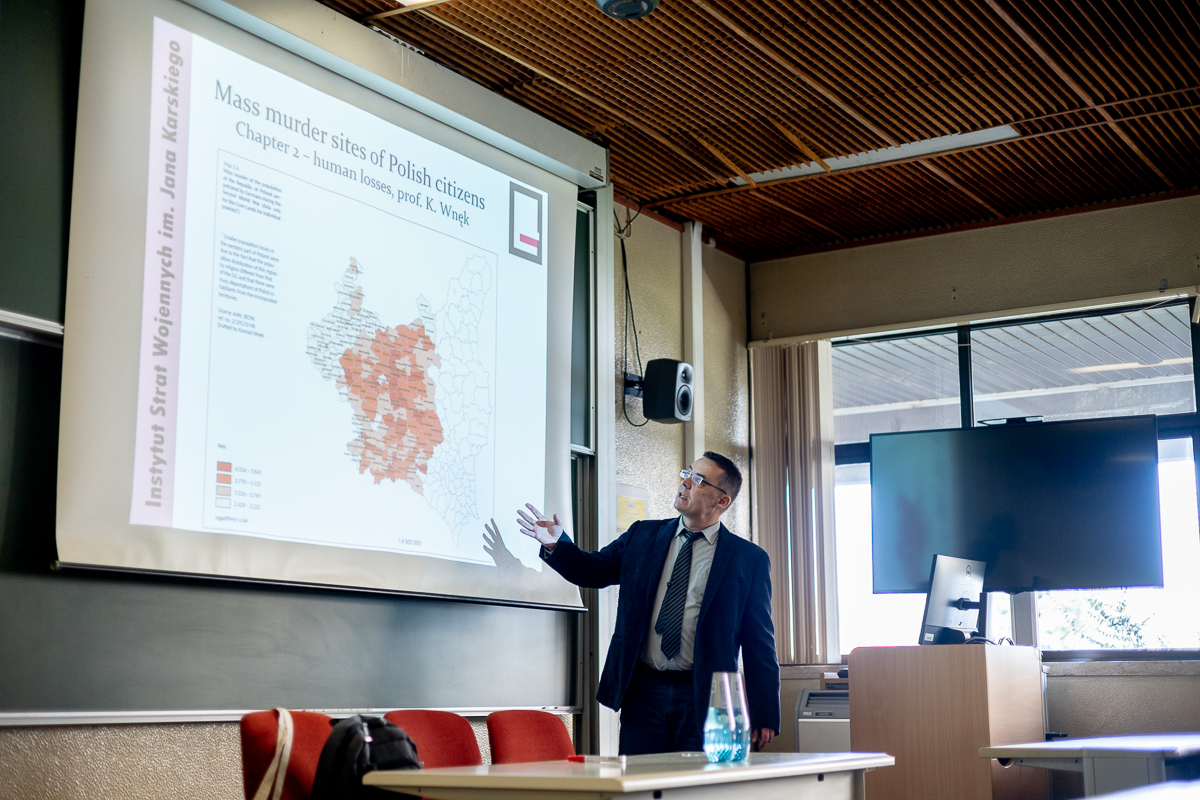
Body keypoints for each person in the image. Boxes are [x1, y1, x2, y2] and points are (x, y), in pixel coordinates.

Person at [517, 451, 780, 755]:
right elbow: (593, 570)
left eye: (698, 480)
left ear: (722, 500)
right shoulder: (643, 535)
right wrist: (557, 544)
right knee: (640, 778)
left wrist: (764, 713)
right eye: (687, 473)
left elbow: (760, 641)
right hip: (644, 691)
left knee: (702, 780)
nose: (685, 483)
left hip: (709, 696)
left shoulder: (749, 559)